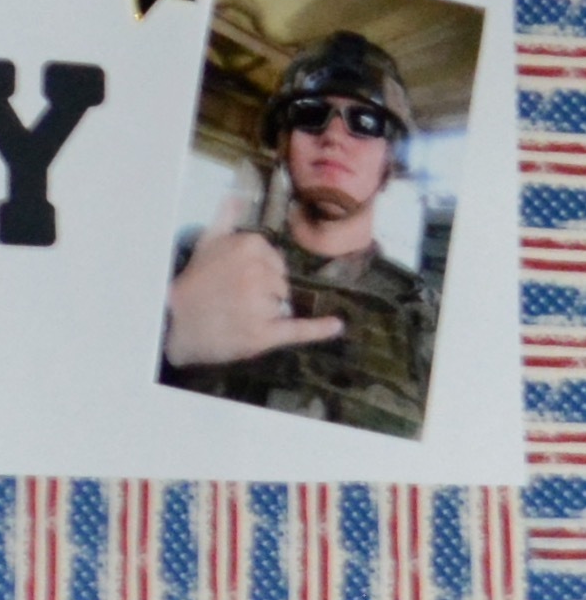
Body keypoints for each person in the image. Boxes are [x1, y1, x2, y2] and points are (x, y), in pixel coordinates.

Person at [160, 30, 452, 434]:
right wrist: (168, 338)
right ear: (282, 143)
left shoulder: (429, 323)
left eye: (365, 121)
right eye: (310, 113)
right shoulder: (194, 263)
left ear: (390, 162)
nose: (333, 136)